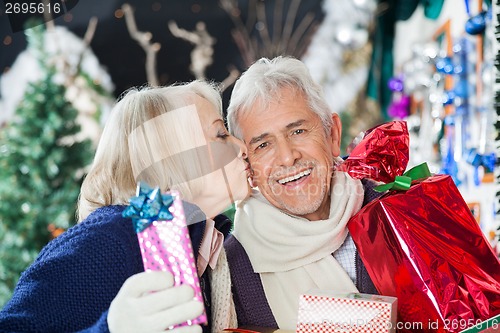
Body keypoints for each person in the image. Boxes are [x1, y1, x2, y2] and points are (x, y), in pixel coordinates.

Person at [0, 80, 250, 333]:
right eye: (220, 134)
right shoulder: (105, 243)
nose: (242, 148)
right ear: (168, 155)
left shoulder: (206, 244)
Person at [224, 56, 381, 330]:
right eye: (263, 145)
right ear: (247, 165)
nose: (287, 157)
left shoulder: (399, 215)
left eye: (298, 131)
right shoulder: (232, 268)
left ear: (332, 135)